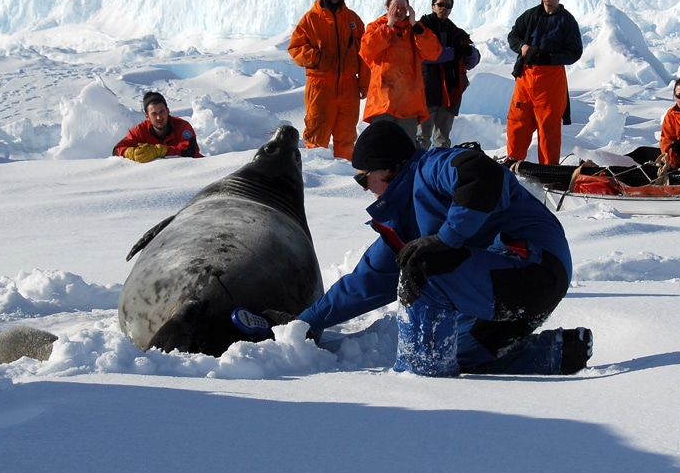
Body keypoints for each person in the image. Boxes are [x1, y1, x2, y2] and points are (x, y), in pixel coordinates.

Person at [232, 121, 592, 376]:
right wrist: (306, 324)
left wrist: (445, 239)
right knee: (460, 352)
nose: (362, 186)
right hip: (508, 282)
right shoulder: (404, 220)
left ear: (387, 169)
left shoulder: (430, 168)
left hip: (531, 266)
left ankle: (420, 380)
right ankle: (558, 353)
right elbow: (367, 281)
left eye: (363, 176)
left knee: (424, 270)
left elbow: (478, 174)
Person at [288, 0, 369, 159]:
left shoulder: (353, 20)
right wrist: (317, 58)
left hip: (349, 86)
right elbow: (295, 48)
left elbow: (364, 54)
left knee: (347, 136)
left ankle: (342, 179)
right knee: (317, 133)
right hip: (320, 85)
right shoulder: (311, 19)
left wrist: (364, 83)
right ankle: (318, 181)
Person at [505, 0, 583, 165]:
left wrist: (550, 58)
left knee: (549, 126)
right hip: (526, 76)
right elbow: (513, 35)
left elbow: (574, 52)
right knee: (518, 120)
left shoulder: (567, 21)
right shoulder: (530, 16)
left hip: (551, 80)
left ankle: (548, 167)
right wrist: (523, 47)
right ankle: (513, 159)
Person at [359, 0, 443, 142]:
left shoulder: (417, 29)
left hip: (409, 102)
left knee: (406, 146)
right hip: (383, 100)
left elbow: (433, 52)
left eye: (404, 8)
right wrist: (388, 26)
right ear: (387, 8)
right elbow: (367, 49)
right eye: (395, 7)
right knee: (382, 144)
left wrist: (415, 26)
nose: (400, 11)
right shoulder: (376, 27)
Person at [417, 0, 481, 148]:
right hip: (427, 90)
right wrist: (454, 52)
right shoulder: (420, 29)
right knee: (421, 138)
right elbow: (426, 54)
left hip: (449, 92)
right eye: (440, 5)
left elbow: (473, 59)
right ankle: (418, 169)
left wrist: (470, 52)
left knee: (443, 138)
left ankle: (439, 169)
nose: (444, 8)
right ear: (433, 6)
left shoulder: (456, 33)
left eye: (448, 6)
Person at [113, 91, 202, 162]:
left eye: (161, 111)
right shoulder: (139, 131)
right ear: (147, 116)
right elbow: (116, 150)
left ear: (167, 111)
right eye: (154, 114)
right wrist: (131, 153)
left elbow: (191, 152)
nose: (159, 117)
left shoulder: (182, 126)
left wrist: (160, 151)